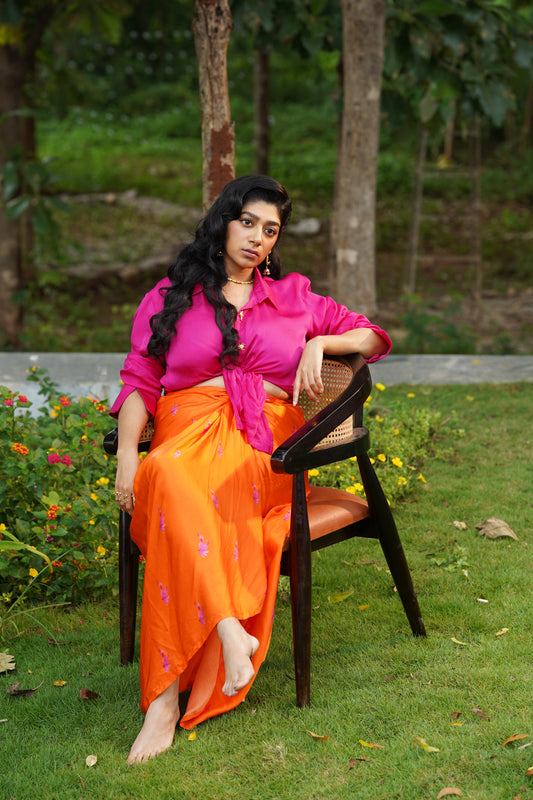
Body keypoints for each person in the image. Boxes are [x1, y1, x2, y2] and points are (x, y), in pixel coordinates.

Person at [110, 174, 391, 764]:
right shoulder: (170, 296)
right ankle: (224, 631)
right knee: (165, 475)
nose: (258, 238)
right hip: (187, 431)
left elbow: (372, 336)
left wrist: (322, 344)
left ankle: (165, 702)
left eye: (270, 229)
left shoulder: (294, 296)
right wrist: (128, 455)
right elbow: (140, 379)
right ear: (223, 222)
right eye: (248, 223)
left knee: (170, 486)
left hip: (264, 447)